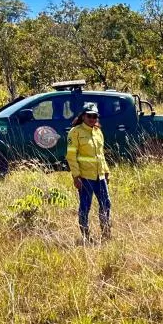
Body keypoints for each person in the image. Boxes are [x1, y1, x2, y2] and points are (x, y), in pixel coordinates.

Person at [66, 102, 111, 244]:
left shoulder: (98, 132)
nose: (92, 119)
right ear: (83, 116)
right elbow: (71, 156)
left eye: (95, 116)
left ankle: (106, 234)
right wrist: (76, 176)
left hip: (100, 176)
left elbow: (101, 155)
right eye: (90, 116)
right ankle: (86, 236)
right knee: (85, 206)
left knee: (106, 204)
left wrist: (106, 171)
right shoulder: (75, 132)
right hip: (85, 177)